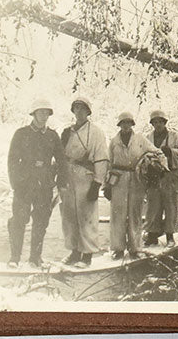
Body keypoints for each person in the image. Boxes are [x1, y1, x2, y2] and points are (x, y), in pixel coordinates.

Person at [6, 97, 62, 269]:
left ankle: (35, 258)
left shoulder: (53, 136)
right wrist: (17, 183)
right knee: (19, 220)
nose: (44, 116)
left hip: (44, 185)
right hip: (24, 185)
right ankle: (15, 258)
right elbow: (12, 161)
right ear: (34, 114)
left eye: (47, 113)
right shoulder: (21, 134)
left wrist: (59, 183)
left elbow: (62, 161)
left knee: (41, 221)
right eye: (41, 112)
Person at [106, 112, 165, 259]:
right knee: (117, 214)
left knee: (135, 213)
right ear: (119, 125)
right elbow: (108, 163)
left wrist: (155, 165)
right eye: (123, 123)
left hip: (136, 179)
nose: (126, 126)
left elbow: (157, 152)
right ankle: (118, 248)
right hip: (118, 179)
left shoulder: (140, 139)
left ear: (132, 124)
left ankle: (135, 247)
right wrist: (106, 184)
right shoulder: (114, 141)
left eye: (128, 123)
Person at [58, 97, 108, 267]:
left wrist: (97, 183)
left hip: (86, 176)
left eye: (82, 108)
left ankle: (87, 255)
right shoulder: (68, 132)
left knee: (86, 215)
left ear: (88, 112)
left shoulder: (95, 132)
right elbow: (59, 156)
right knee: (69, 215)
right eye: (76, 108)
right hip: (68, 176)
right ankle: (74, 251)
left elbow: (101, 158)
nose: (79, 112)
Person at [144, 109, 178, 247]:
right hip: (154, 175)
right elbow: (142, 155)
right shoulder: (148, 138)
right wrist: (149, 164)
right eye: (155, 122)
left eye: (160, 122)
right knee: (153, 205)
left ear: (165, 123)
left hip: (170, 175)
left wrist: (171, 152)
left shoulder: (175, 137)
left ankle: (170, 235)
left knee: (170, 204)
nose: (158, 125)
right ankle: (152, 235)